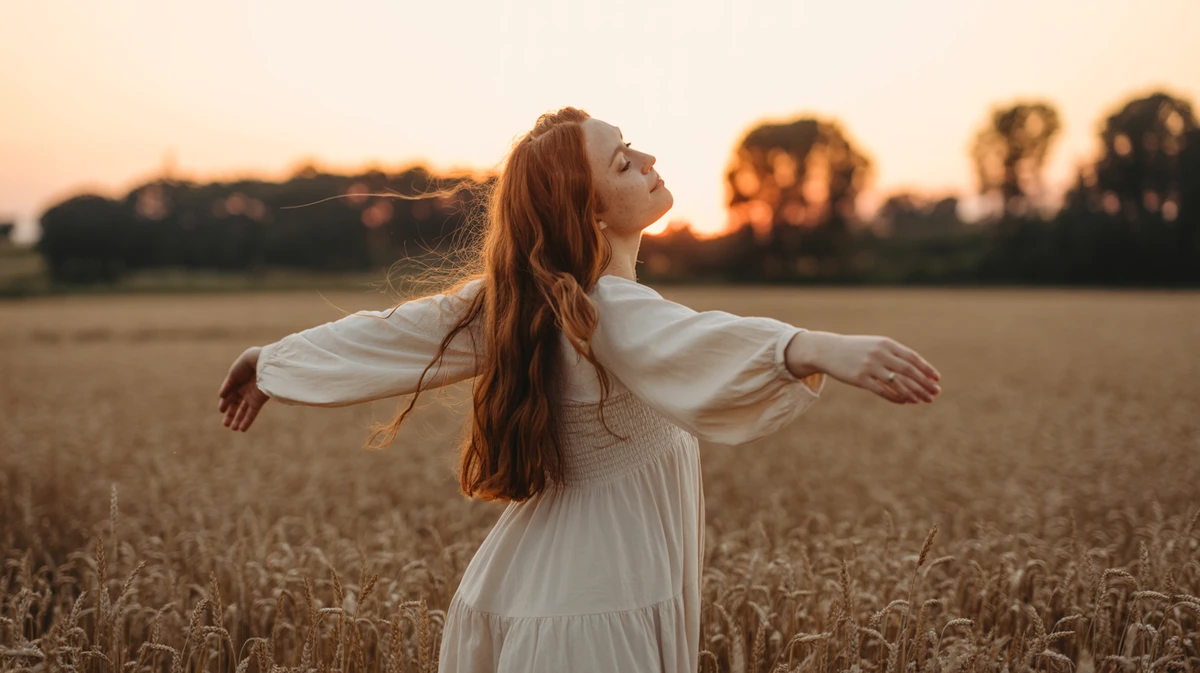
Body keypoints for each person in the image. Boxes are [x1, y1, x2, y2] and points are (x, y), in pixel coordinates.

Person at [216, 106, 942, 672]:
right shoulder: (605, 307)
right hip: (592, 615)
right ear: (590, 210)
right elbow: (684, 339)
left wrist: (269, 361)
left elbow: (391, 333)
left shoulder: (526, 299)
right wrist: (809, 346)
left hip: (541, 594)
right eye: (625, 161)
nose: (651, 160)